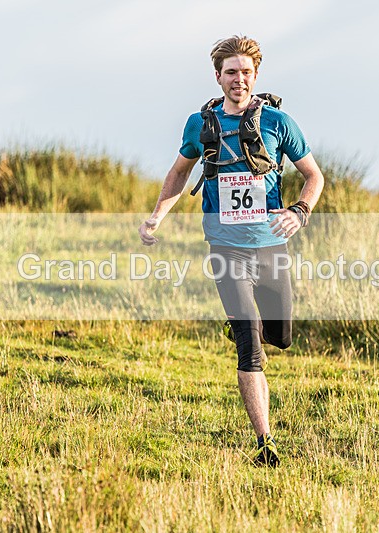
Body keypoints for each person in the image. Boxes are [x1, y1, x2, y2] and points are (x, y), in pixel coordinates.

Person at [138, 35, 324, 467]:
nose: (238, 79)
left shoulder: (279, 121)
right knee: (249, 342)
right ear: (218, 77)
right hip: (224, 246)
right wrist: (156, 217)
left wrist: (300, 210)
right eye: (230, 72)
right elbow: (179, 173)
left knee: (279, 336)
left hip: (271, 245)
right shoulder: (199, 124)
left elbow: (314, 175)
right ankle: (265, 442)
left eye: (245, 72)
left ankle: (253, 328)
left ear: (255, 76)